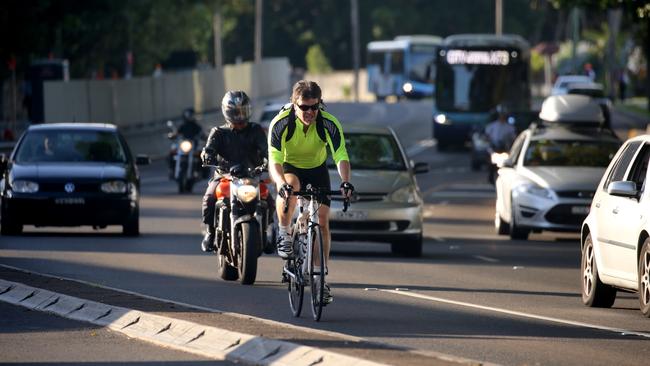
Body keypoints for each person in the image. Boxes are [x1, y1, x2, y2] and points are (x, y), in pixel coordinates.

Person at [268, 80, 354, 305]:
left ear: (320, 105)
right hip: (290, 166)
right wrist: (280, 183)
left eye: (314, 107)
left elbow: (340, 155)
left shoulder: (328, 123)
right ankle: (285, 231)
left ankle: (320, 280)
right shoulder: (281, 122)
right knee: (291, 187)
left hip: (317, 169)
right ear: (294, 104)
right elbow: (274, 159)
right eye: (304, 107)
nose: (309, 112)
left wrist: (345, 182)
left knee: (323, 221)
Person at [200, 90, 268, 252]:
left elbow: (267, 151)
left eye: (242, 111)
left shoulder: (256, 130)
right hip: (225, 175)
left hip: (251, 175)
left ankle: (268, 233)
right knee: (209, 197)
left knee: (269, 200)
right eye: (235, 112)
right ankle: (209, 233)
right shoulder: (218, 132)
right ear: (227, 112)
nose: (239, 116)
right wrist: (207, 156)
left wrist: (271, 161)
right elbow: (208, 149)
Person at [484, 105, 516, 184]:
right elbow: (486, 136)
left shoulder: (510, 128)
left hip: (504, 148)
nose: (502, 116)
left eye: (503, 114)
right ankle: (491, 175)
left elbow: (513, 138)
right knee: (491, 160)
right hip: (494, 148)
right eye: (501, 114)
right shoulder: (492, 126)